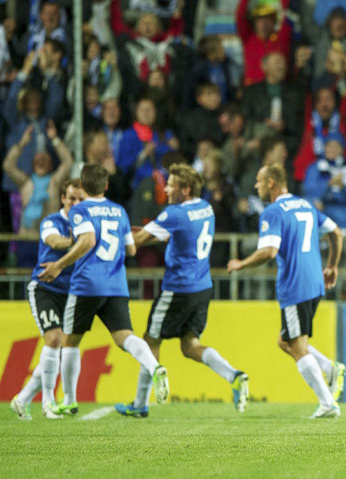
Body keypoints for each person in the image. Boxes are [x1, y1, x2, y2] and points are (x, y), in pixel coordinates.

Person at [115, 164, 248, 417]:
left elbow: (136, 244)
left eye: (171, 184)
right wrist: (149, 230)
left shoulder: (173, 213)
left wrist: (112, 235)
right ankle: (234, 375)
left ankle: (140, 404)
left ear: (185, 189)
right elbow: (176, 232)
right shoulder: (205, 207)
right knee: (190, 345)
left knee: (150, 340)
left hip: (177, 288)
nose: (166, 188)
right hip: (202, 287)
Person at [37, 164, 169, 415]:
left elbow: (87, 240)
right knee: (124, 336)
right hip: (116, 284)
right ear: (106, 185)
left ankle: (70, 400)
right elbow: (131, 250)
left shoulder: (80, 210)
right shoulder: (119, 211)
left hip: (87, 284)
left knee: (70, 341)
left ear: (83, 186)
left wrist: (59, 265)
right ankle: (154, 367)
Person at [227, 164, 346, 418]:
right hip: (314, 281)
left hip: (295, 284)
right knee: (286, 340)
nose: (255, 186)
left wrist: (241, 263)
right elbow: (336, 232)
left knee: (296, 344)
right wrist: (332, 266)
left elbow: (268, 251)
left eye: (258, 181)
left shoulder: (272, 212)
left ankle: (327, 403)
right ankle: (330, 369)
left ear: (271, 183)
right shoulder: (306, 205)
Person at [10, 179, 85, 420]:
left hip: (72, 292)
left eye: (80, 199)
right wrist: (76, 242)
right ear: (63, 199)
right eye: (71, 198)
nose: (75, 203)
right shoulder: (52, 221)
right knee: (53, 339)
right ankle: (48, 402)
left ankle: (22, 398)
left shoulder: (88, 226)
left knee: (61, 348)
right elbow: (54, 240)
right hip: (45, 288)